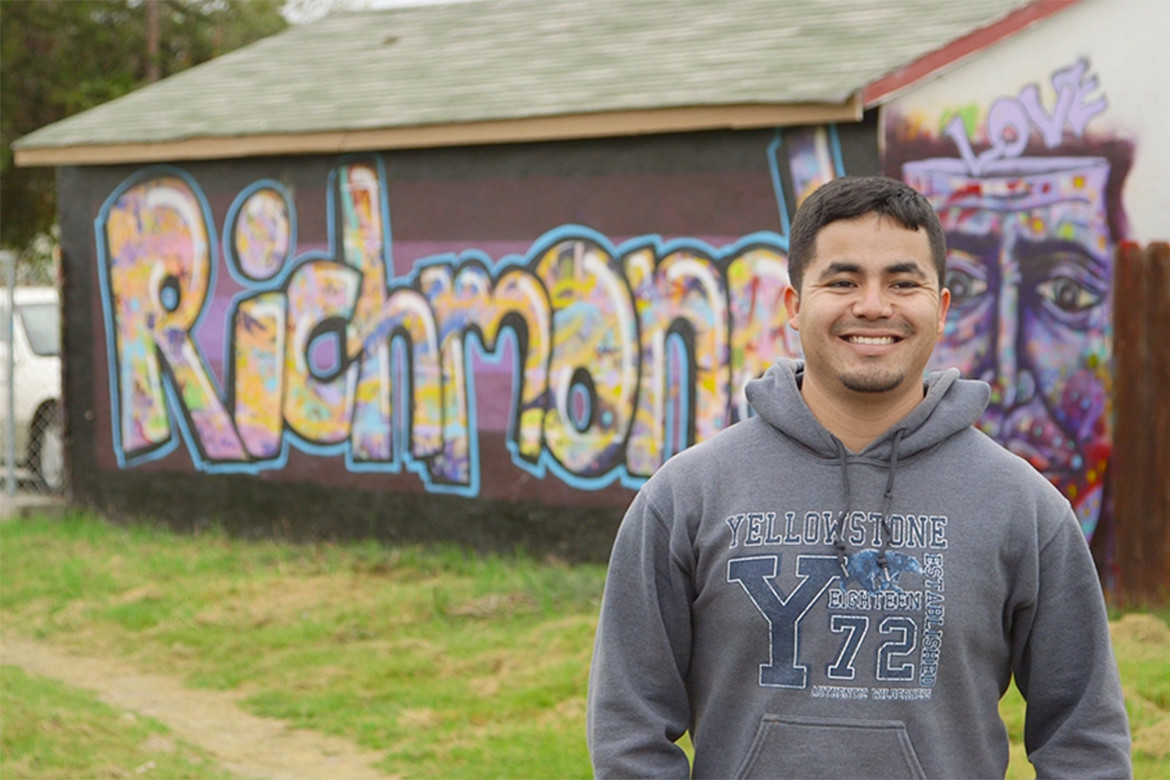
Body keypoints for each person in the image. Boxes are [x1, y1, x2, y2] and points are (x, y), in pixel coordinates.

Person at [587, 175, 1131, 778]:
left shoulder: (1024, 508)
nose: (874, 305)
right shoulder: (686, 496)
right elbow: (629, 729)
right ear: (794, 305)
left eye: (903, 282)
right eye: (842, 281)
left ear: (941, 307)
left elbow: (1085, 737)